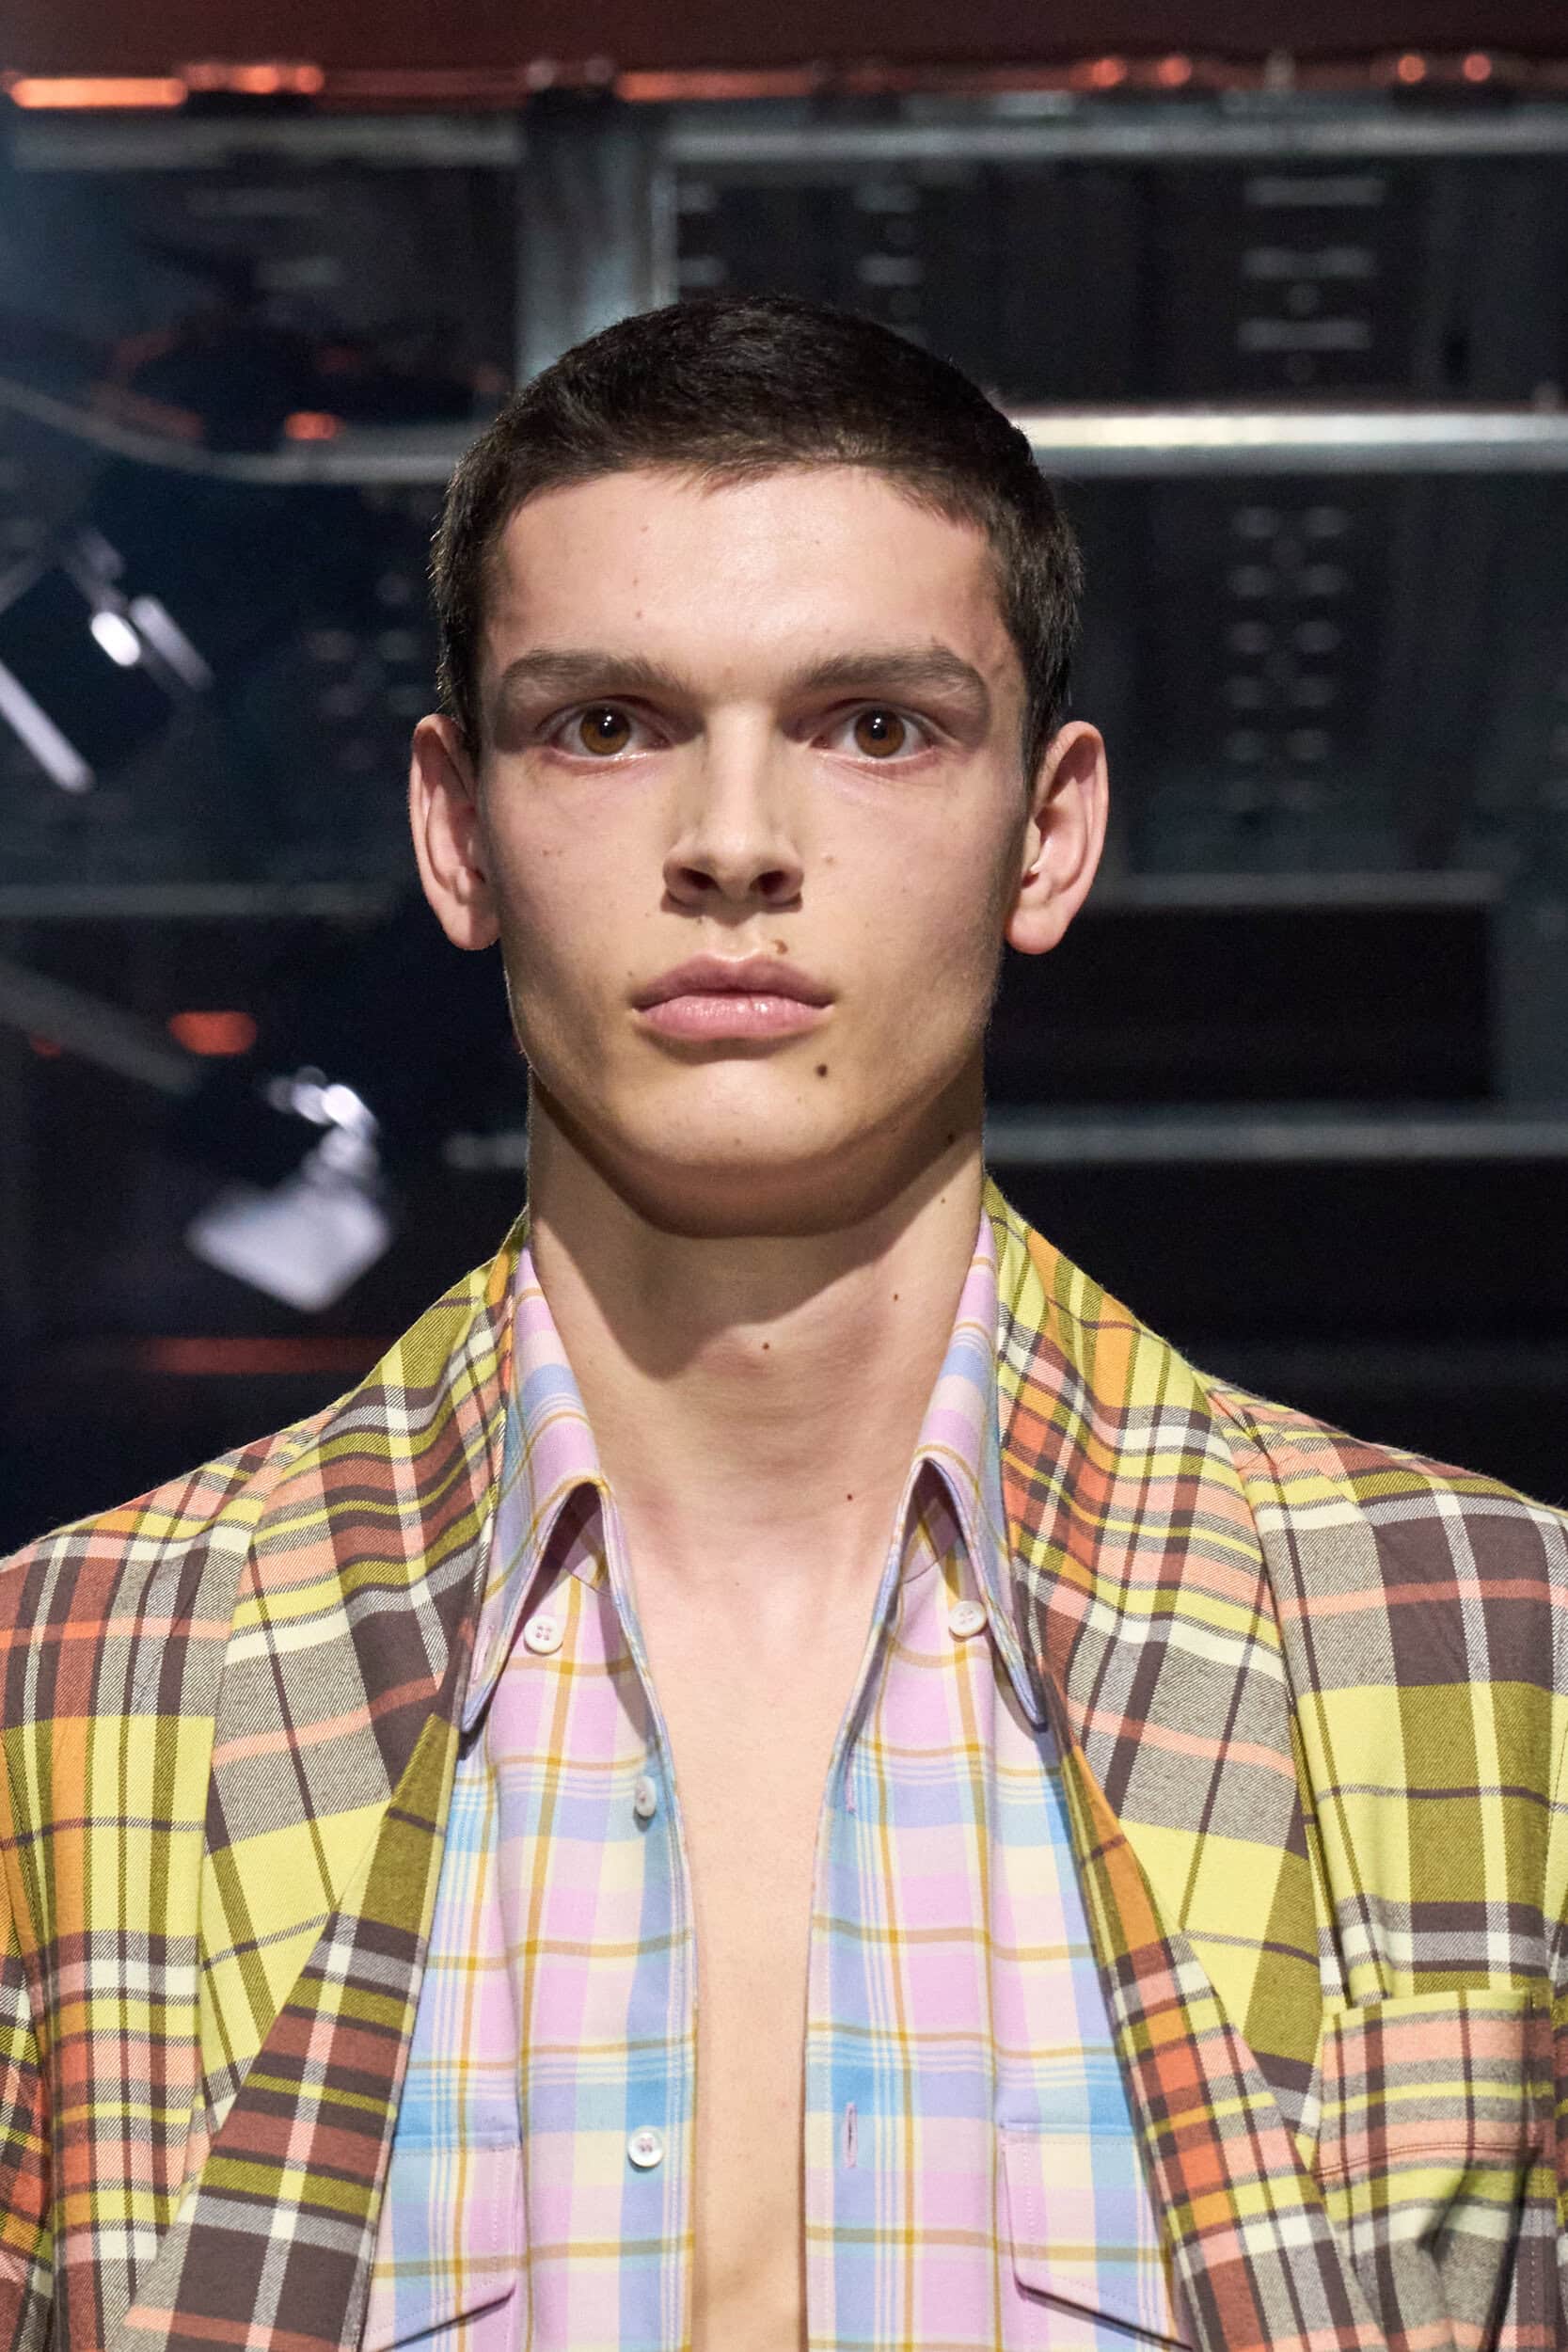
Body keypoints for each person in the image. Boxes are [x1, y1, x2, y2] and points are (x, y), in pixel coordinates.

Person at [0, 294, 1562, 2352]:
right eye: (608, 724)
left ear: (1051, 833)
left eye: (875, 726)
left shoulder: (1495, 1653)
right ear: (457, 831)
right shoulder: (73, 1680)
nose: (733, 844)